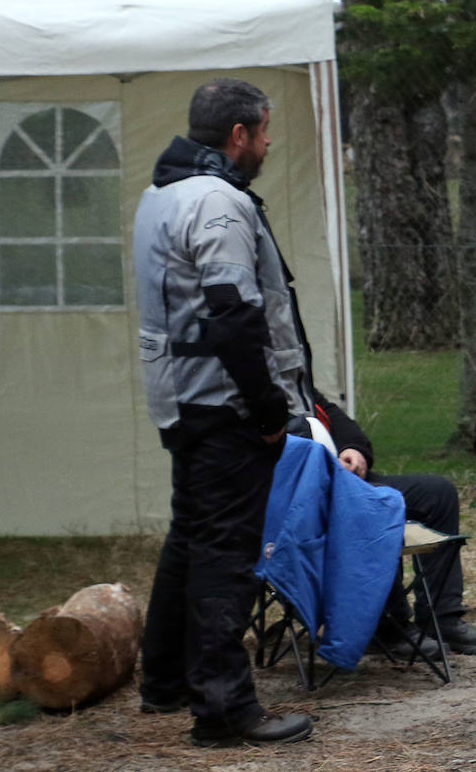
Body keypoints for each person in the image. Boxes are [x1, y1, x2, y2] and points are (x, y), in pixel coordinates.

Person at [132, 78, 313, 747]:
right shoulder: (215, 200)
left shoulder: (160, 194)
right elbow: (234, 314)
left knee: (190, 537)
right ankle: (223, 709)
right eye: (264, 132)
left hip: (180, 394)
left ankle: (165, 680)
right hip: (223, 400)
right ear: (238, 135)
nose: (267, 145)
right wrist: (268, 407)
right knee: (225, 554)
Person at [309, 395, 476, 656]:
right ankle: (389, 628)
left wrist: (352, 449)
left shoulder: (301, 387)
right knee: (376, 505)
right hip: (305, 502)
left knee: (437, 494)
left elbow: (341, 423)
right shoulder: (254, 397)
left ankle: (441, 618)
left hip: (346, 485)